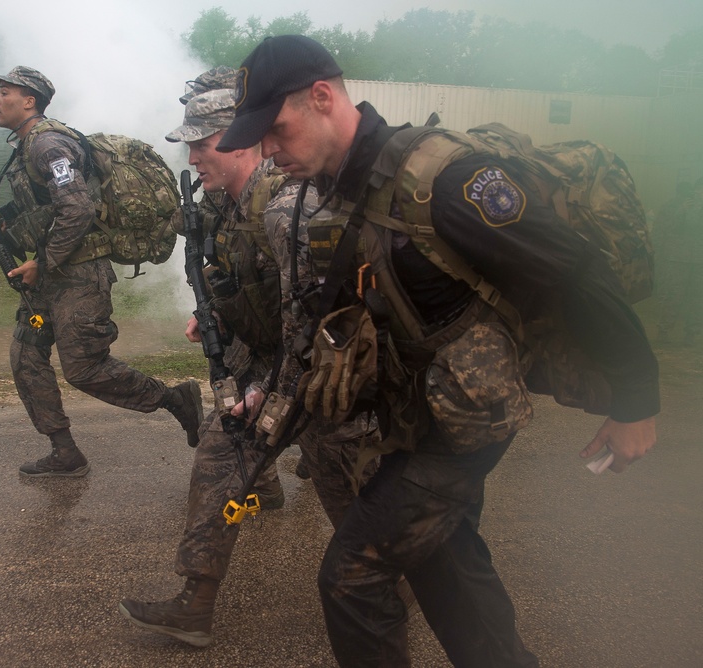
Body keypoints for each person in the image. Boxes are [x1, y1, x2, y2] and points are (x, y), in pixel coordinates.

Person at [216, 35, 660, 667]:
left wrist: (637, 399)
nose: (268, 150)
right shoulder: (346, 188)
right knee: (443, 566)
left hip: (468, 420)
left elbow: (576, 271)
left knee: (352, 575)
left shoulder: (446, 180)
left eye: (276, 130)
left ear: (322, 97)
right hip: (422, 413)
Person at [118, 80, 380, 648]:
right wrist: (215, 314)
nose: (190, 158)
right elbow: (235, 276)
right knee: (222, 447)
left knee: (350, 500)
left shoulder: (286, 206)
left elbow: (312, 320)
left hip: (323, 372)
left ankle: (403, 585)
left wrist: (272, 394)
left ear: (240, 142)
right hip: (270, 359)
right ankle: (195, 603)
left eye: (201, 145)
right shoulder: (218, 203)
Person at [0, 66, 203, 476]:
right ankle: (65, 452)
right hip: (50, 278)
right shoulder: (28, 145)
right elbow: (50, 208)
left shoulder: (49, 144)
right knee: (26, 356)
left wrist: (43, 262)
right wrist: (10, 222)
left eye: (6, 92)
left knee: (84, 367)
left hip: (78, 276)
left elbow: (79, 209)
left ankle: (175, 399)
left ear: (29, 100)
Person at [655, 179, 703, 345]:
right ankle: (664, 330)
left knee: (697, 297)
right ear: (694, 191)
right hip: (679, 258)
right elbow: (668, 229)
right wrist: (682, 211)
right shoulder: (679, 207)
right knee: (673, 294)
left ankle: (691, 333)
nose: (700, 194)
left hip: (699, 260)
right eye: (698, 190)